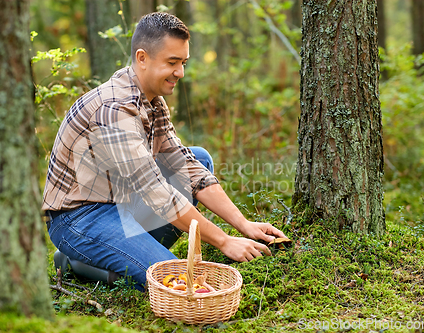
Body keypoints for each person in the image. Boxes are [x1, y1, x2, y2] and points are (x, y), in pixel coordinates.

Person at [42, 12, 286, 290]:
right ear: (142, 58)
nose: (180, 72)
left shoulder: (152, 101)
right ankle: (83, 261)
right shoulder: (114, 110)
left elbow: (188, 167)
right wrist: (224, 241)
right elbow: (157, 193)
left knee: (200, 158)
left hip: (120, 204)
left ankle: (121, 256)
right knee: (180, 283)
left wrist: (244, 225)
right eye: (172, 62)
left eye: (183, 62)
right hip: (80, 219)